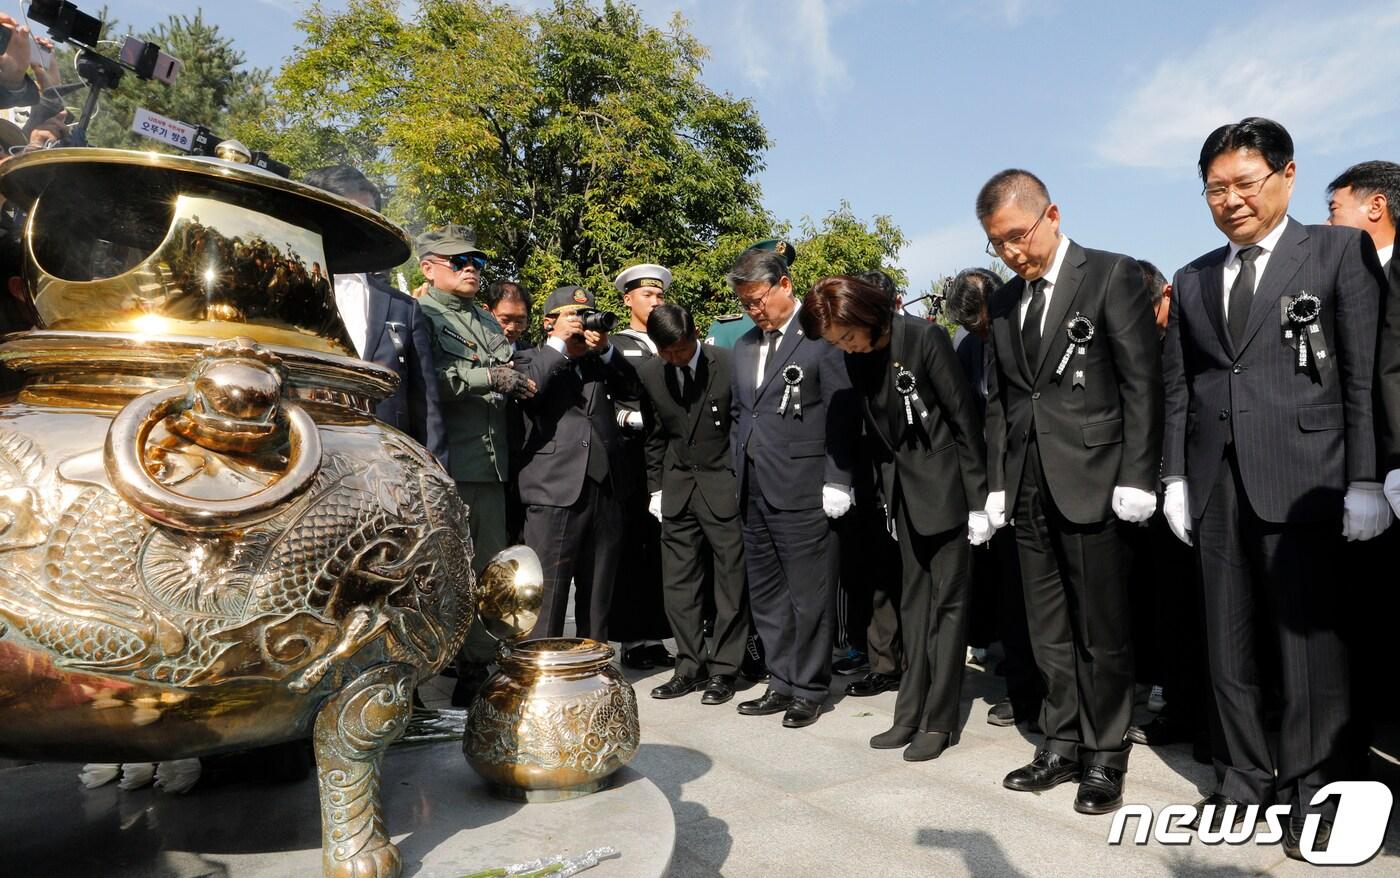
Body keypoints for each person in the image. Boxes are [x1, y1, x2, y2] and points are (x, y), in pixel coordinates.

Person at [1161, 118, 1389, 855]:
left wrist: (1364, 477)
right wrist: (1172, 476)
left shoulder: (1335, 250)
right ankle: (1244, 779)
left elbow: (1362, 369)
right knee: (1226, 645)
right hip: (1216, 482)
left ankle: (1319, 792)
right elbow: (1182, 386)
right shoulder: (1194, 276)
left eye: (1244, 183)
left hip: (1308, 479)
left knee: (1307, 646)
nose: (1230, 200)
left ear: (1287, 177)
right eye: (1215, 188)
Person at [978, 169, 1162, 815]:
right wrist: (997, 484)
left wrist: (1139, 476)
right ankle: (1058, 743)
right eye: (996, 244)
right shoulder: (1003, 303)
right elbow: (1003, 398)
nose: (1010, 253)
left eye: (1016, 237)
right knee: (1046, 628)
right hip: (1027, 482)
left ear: (1050, 214)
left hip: (1094, 479)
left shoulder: (1108, 274)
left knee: (1100, 628)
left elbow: (1142, 383)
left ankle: (1105, 754)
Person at [801, 275, 989, 761]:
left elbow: (963, 419)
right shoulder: (858, 357)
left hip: (947, 490)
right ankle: (908, 713)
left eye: (847, 336)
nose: (846, 347)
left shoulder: (925, 338)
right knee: (913, 605)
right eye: (838, 342)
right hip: (904, 495)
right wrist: (887, 498)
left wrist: (978, 502)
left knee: (948, 609)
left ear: (863, 314)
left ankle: (940, 720)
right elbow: (880, 437)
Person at [727, 247, 857, 729]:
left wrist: (839, 478)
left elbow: (843, 410)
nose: (753, 310)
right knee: (767, 592)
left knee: (809, 594)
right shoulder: (743, 345)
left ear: (784, 285)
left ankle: (809, 686)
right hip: (754, 485)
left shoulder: (821, 336)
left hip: (805, 486)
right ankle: (780, 681)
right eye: (745, 303)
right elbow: (743, 414)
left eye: (758, 299)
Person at [945, 267, 1044, 732]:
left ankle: (1051, 689)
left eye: (981, 323)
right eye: (970, 328)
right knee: (1009, 593)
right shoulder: (968, 347)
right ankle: (1022, 687)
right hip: (991, 486)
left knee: (1041, 596)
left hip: (1037, 476)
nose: (980, 334)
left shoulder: (1022, 328)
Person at [636, 303, 749, 705]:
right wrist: (656, 488)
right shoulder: (650, 373)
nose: (675, 358)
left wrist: (740, 478)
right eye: (666, 352)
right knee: (678, 583)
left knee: (729, 580)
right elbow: (654, 435)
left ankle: (724, 669)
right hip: (678, 485)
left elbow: (741, 426)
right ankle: (689, 665)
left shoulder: (729, 363)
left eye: (681, 350)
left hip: (723, 484)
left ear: (694, 335)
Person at [515, 285, 639, 640]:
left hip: (605, 489)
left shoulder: (598, 363)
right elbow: (530, 388)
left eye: (586, 317)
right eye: (573, 316)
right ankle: (543, 669)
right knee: (549, 593)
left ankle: (593, 668)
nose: (581, 324)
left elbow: (632, 389)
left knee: (598, 592)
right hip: (553, 490)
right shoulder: (530, 358)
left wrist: (605, 350)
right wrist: (559, 343)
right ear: (547, 322)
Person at [302, 166, 447, 465]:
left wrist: (438, 474)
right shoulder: (282, 289)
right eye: (348, 212)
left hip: (382, 469)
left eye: (370, 215)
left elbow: (426, 407)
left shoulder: (402, 308)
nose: (362, 224)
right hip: (299, 459)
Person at [416, 226, 532, 576]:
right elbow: (424, 382)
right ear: (428, 269)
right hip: (449, 467)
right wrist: (488, 378)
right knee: (446, 571)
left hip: (493, 468)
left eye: (476, 261)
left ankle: (484, 635)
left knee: (489, 572)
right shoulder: (418, 314)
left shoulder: (485, 319)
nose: (471, 269)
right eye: (458, 261)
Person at [834, 269, 904, 699]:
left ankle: (915, 662)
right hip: (863, 475)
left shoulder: (910, 343)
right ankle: (882, 660)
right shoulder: (848, 349)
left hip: (908, 475)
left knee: (907, 579)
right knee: (873, 574)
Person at [609, 263, 675, 670]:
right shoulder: (617, 344)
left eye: (660, 295)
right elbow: (608, 397)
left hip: (671, 457)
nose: (655, 301)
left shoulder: (672, 338)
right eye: (647, 295)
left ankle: (661, 633)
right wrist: (629, 418)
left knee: (665, 551)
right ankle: (635, 638)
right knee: (634, 549)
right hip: (632, 457)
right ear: (627, 299)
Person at [482, 280, 533, 351]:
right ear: (486, 313)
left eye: (519, 322)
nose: (512, 328)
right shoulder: (467, 351)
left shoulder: (532, 356)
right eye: (505, 320)